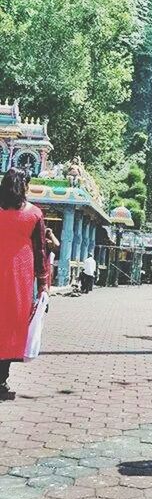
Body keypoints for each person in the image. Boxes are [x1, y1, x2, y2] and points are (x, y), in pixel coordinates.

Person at [0, 169, 49, 400]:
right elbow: (41, 252)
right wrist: (44, 286)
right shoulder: (35, 214)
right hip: (19, 278)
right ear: (24, 187)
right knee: (11, 327)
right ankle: (1, 380)